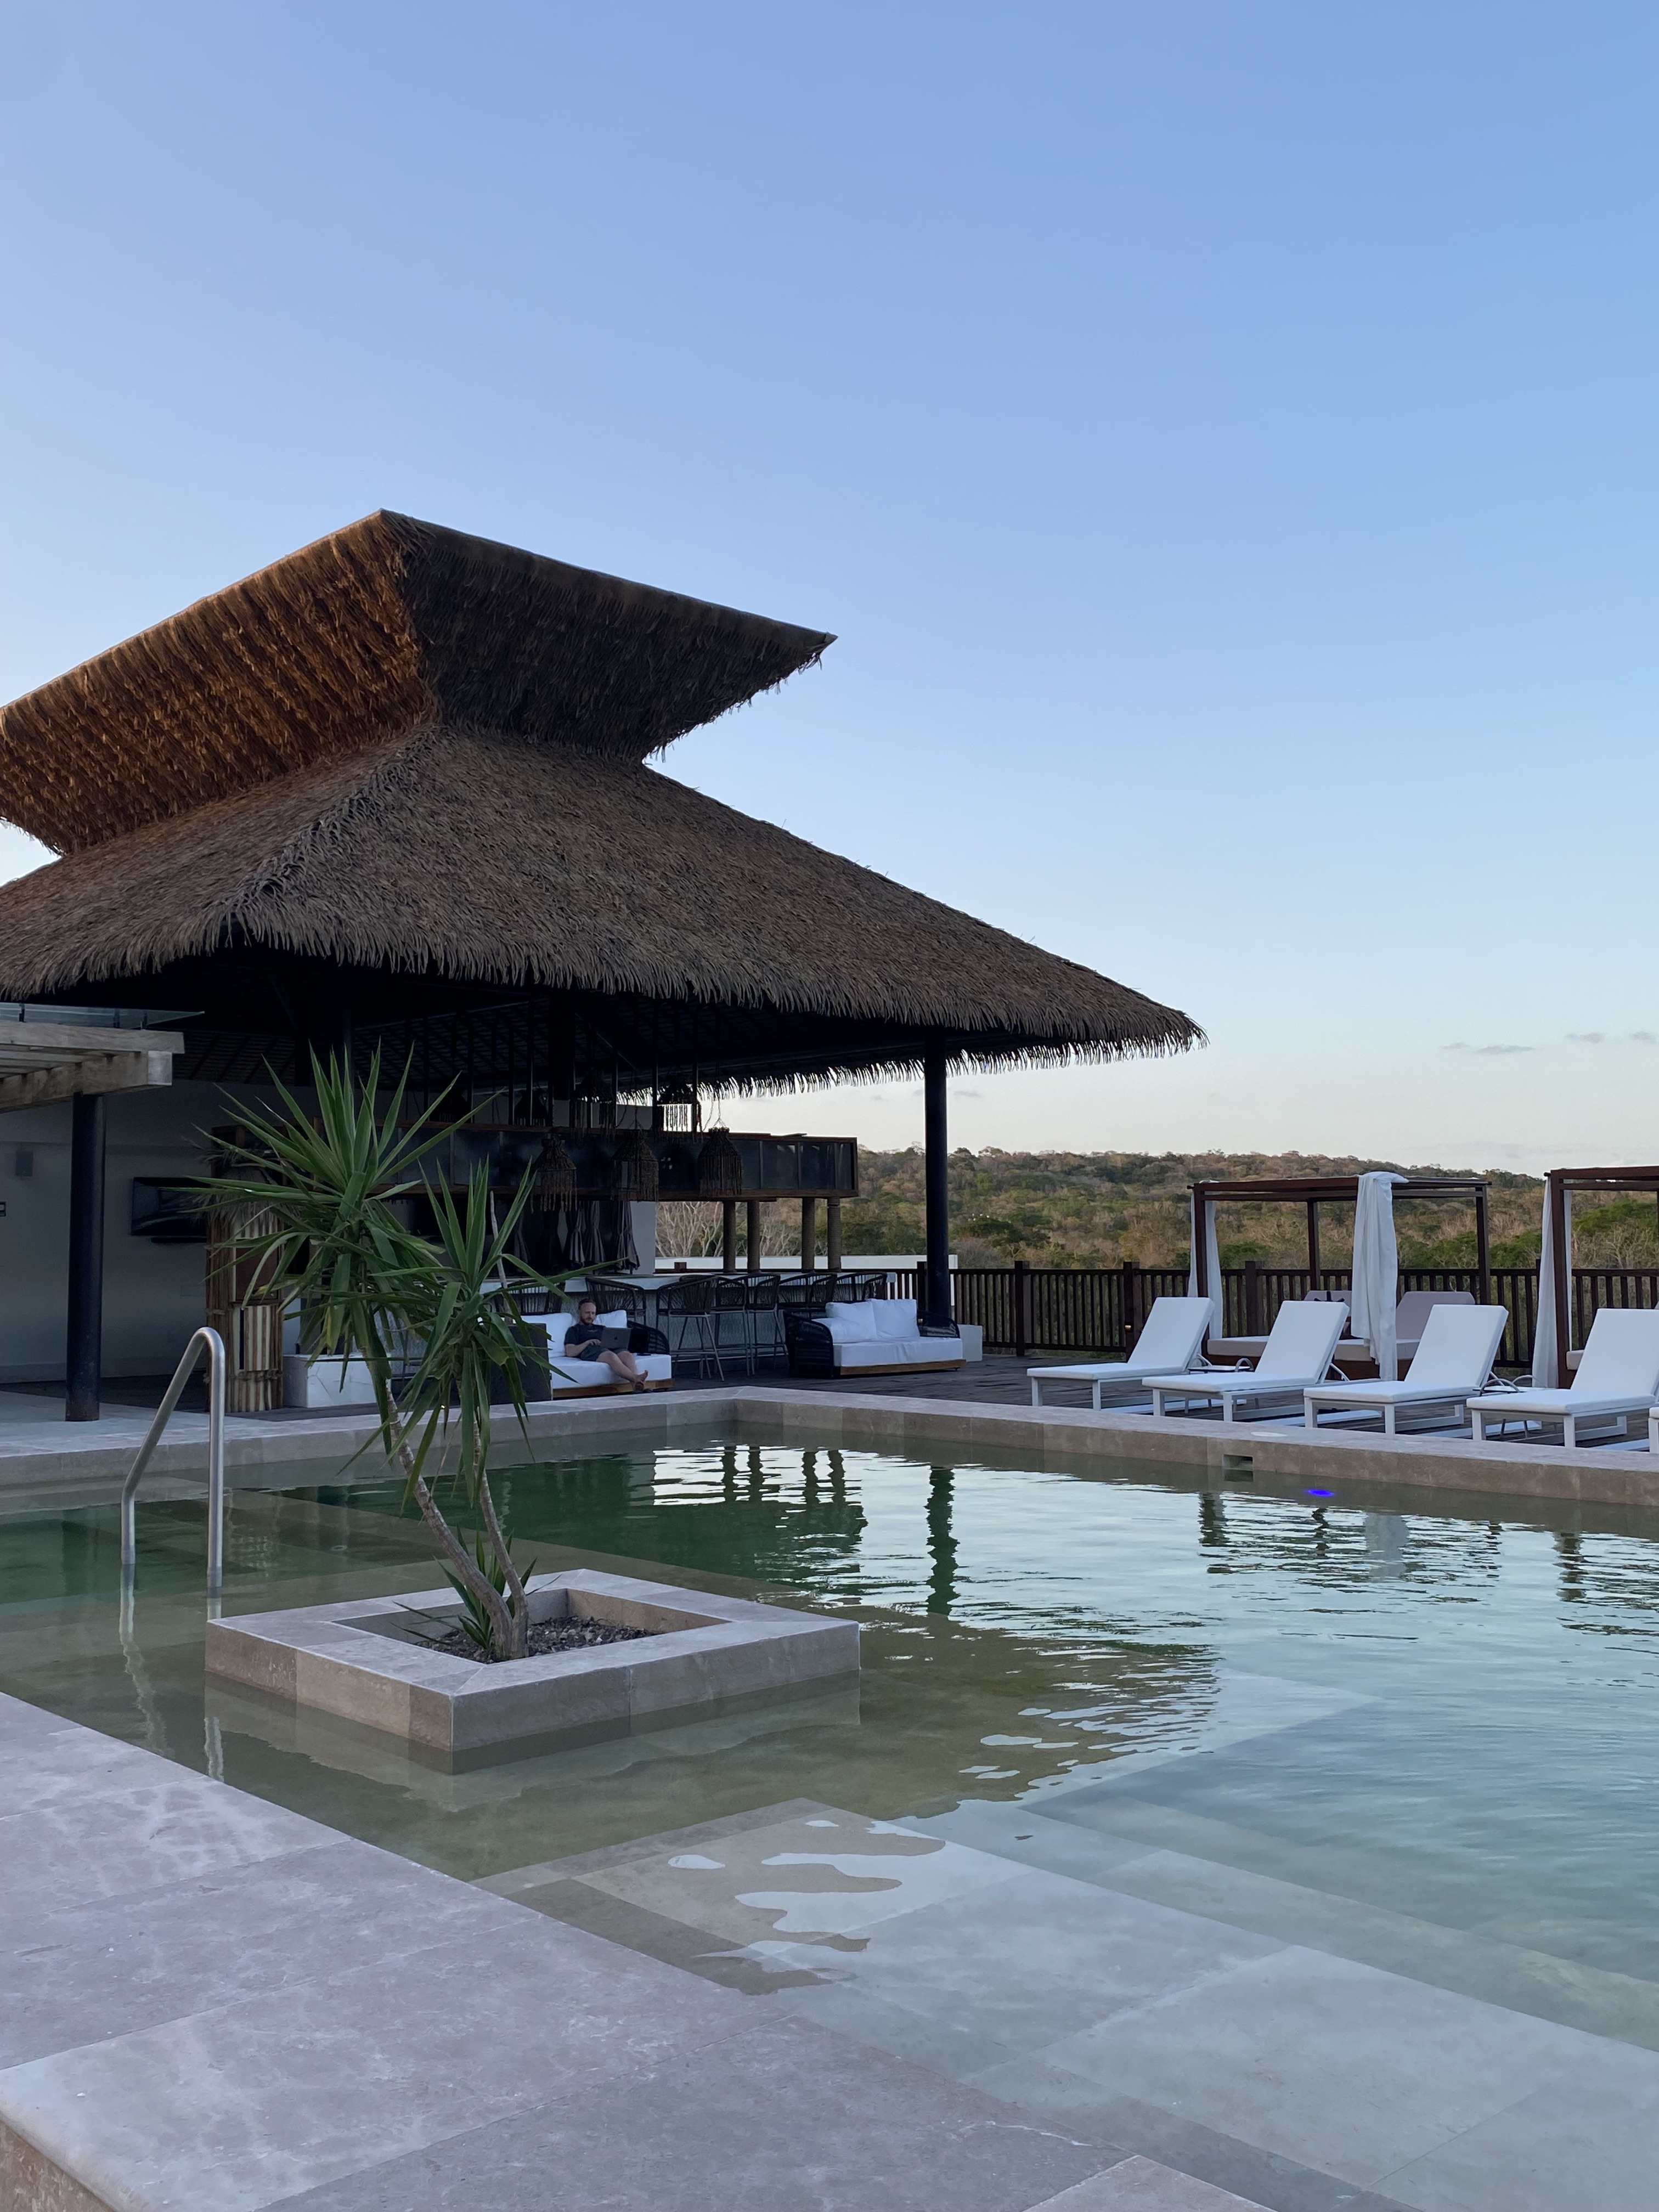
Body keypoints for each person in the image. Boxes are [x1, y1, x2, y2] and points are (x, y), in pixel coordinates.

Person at [562, 1296, 647, 1390]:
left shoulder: (602, 1328)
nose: (590, 1316)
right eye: (587, 1313)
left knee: (628, 1356)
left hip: (609, 1347)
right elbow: (570, 1352)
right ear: (579, 1312)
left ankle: (636, 1387)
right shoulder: (574, 1330)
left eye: (593, 1313)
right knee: (611, 1356)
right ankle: (636, 1378)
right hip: (591, 1350)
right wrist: (588, 1342)